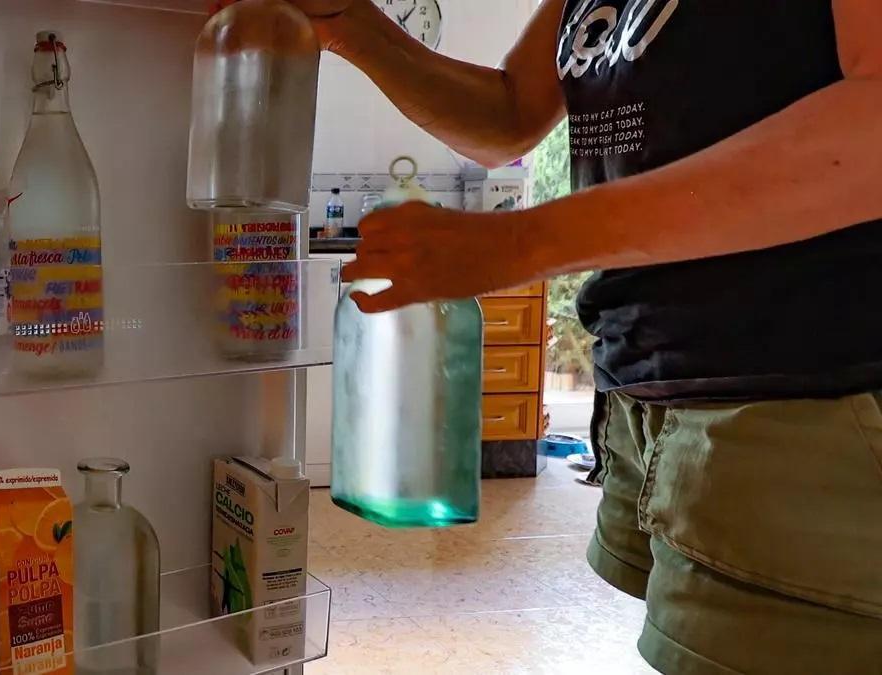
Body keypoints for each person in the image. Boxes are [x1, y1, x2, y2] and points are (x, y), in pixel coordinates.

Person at [216, 0, 882, 672]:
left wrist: (520, 241)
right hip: (656, 393)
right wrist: (350, 25)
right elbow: (510, 113)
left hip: (813, 397)